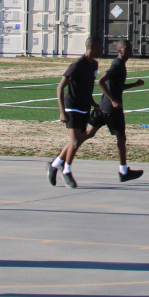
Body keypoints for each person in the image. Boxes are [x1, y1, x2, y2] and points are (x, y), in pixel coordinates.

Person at [49, 37, 101, 187]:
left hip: (85, 107)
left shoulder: (94, 64)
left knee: (78, 139)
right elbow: (60, 87)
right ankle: (67, 171)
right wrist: (62, 111)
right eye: (100, 47)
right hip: (72, 107)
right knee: (75, 141)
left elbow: (87, 88)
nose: (102, 50)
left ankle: (54, 164)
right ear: (91, 47)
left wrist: (93, 103)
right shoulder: (77, 65)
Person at [90, 41, 145, 182]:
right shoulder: (117, 64)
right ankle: (123, 171)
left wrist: (134, 84)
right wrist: (113, 100)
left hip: (103, 106)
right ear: (120, 50)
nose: (131, 51)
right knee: (121, 138)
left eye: (131, 48)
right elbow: (100, 82)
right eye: (127, 48)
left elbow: (117, 86)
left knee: (88, 134)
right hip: (112, 109)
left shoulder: (120, 64)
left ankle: (59, 161)